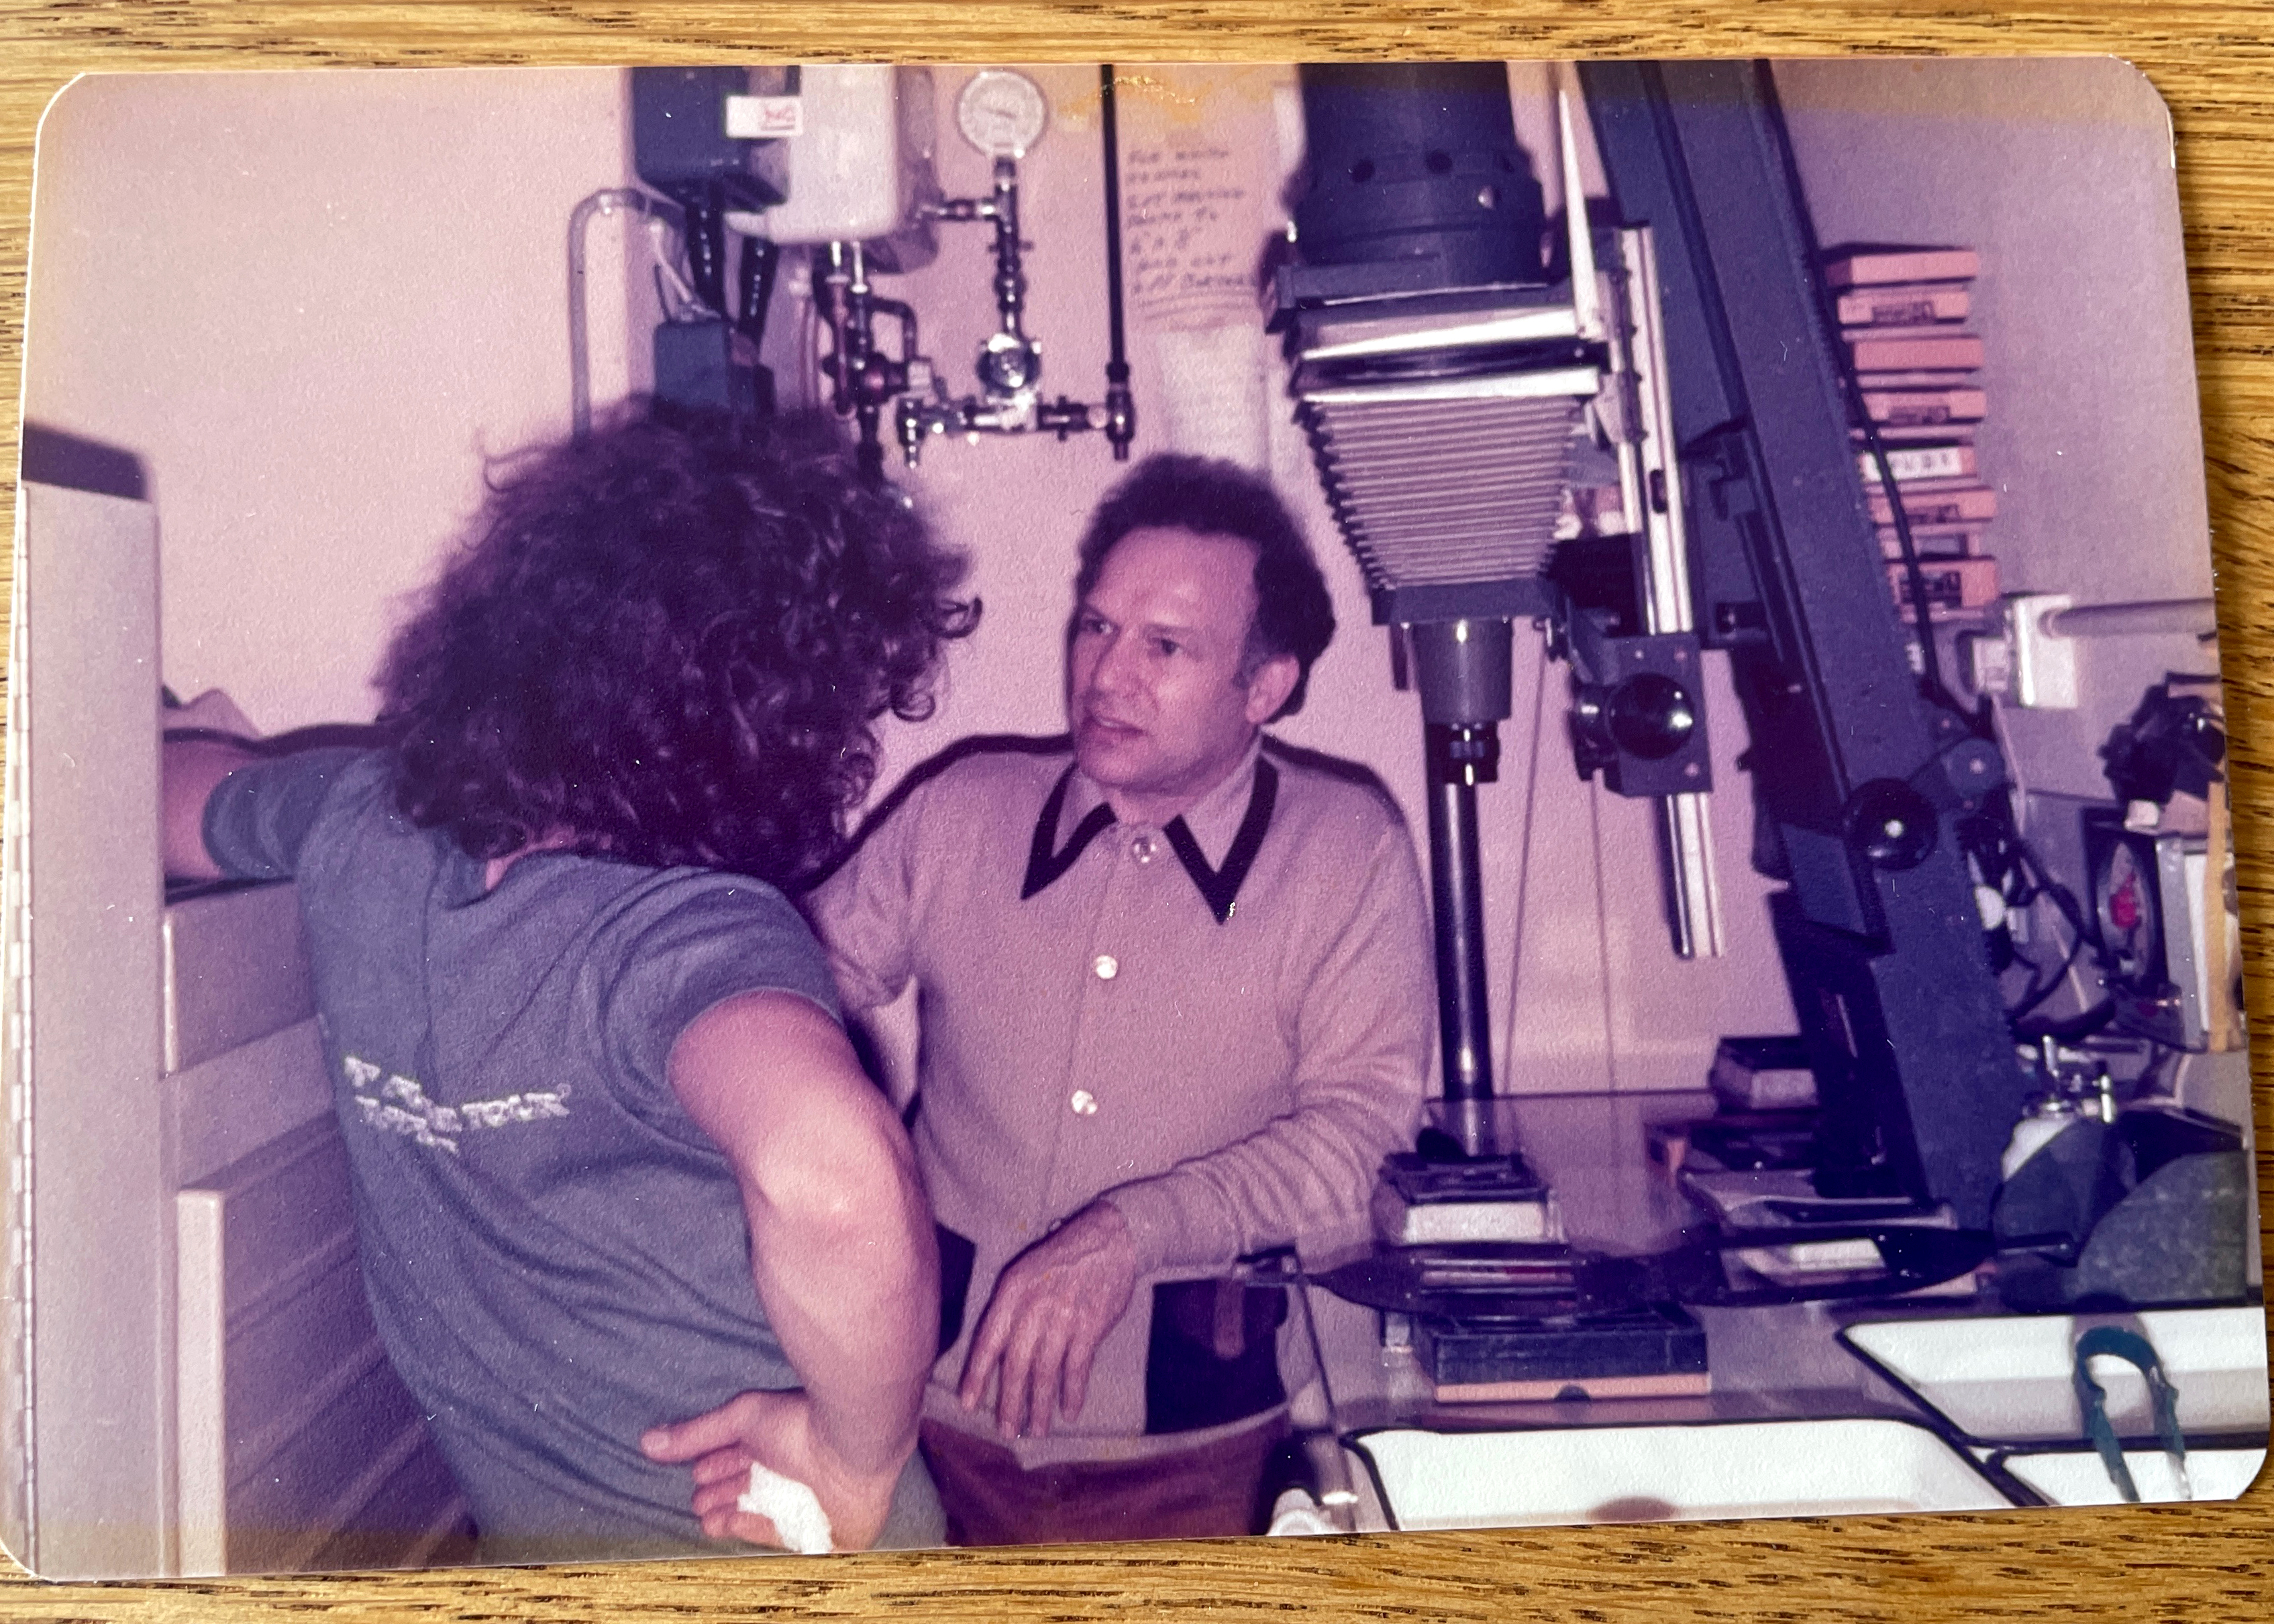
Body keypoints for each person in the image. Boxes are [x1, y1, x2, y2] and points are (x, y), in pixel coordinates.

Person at [161, 407, 976, 1563]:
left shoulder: (360, 825)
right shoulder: (683, 937)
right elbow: (834, 1176)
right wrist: (857, 1457)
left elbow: (172, 794)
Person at [810, 453, 1434, 1545]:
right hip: (918, 1437)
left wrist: (1133, 1233)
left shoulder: (1346, 849)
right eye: (1096, 627)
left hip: (1201, 1457)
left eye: (1165, 647)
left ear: (1264, 687)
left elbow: (1359, 1143)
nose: (1107, 674)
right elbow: (784, 990)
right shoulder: (963, 809)